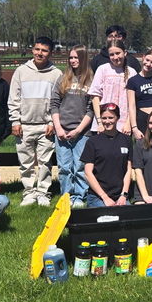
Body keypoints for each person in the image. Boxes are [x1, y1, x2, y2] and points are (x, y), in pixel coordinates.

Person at [8, 36, 63, 207]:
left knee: (45, 161)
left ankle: (43, 192)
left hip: (45, 125)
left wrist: (53, 123)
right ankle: (29, 192)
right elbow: (14, 98)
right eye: (37, 49)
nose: (40, 53)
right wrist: (15, 121)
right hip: (24, 124)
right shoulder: (21, 71)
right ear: (33, 50)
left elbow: (58, 101)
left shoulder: (56, 74)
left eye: (44, 50)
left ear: (50, 53)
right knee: (26, 162)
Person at [50, 45, 94, 209]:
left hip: (82, 132)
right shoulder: (63, 78)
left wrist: (78, 130)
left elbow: (91, 109)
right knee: (64, 167)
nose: (73, 61)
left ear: (83, 59)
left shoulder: (91, 79)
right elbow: (54, 104)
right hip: (61, 131)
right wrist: (59, 128)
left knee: (80, 167)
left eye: (77, 57)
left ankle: (79, 196)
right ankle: (66, 196)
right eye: (71, 58)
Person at [80, 102, 133, 207]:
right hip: (98, 196)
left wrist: (124, 195)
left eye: (110, 117)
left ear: (117, 118)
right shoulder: (93, 142)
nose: (107, 121)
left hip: (119, 195)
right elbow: (88, 173)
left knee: (126, 219)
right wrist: (104, 197)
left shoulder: (126, 140)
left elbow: (128, 170)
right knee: (107, 219)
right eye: (104, 118)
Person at [89, 39, 138, 135]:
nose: (115, 57)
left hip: (123, 125)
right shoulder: (102, 69)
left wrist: (129, 123)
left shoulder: (132, 72)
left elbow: (133, 102)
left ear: (125, 53)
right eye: (112, 54)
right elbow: (95, 97)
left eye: (118, 53)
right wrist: (100, 122)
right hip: (103, 124)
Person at [126, 48, 152, 141]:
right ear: (143, 58)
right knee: (144, 148)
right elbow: (131, 105)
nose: (148, 64)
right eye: (147, 60)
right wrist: (134, 128)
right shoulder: (133, 81)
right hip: (142, 118)